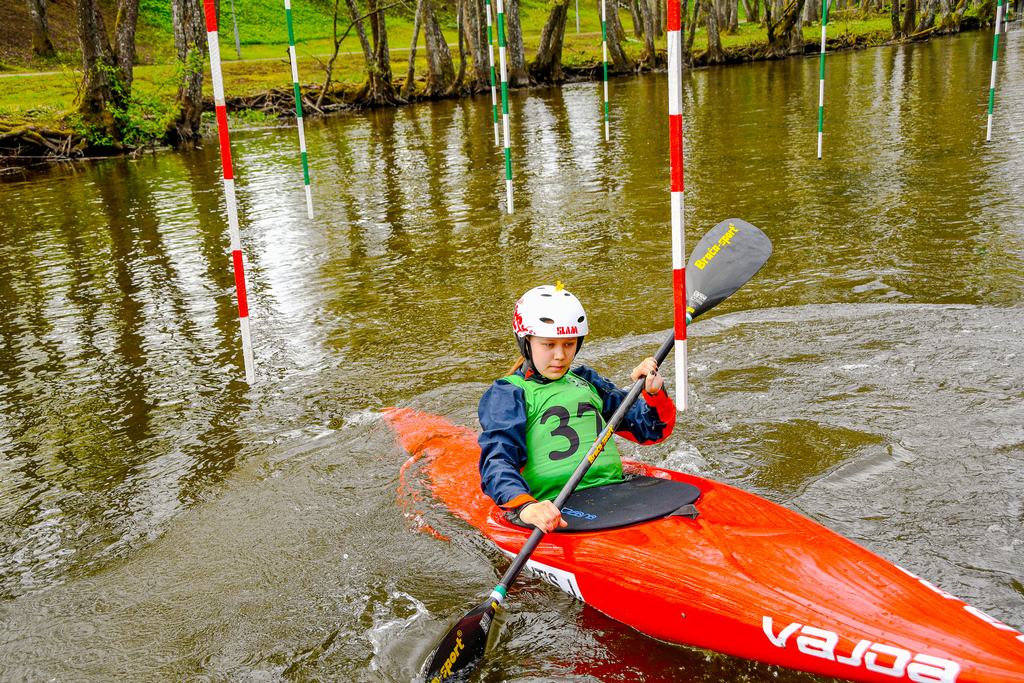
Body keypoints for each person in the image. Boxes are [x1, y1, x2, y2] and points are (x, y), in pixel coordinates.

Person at [478, 282, 676, 533]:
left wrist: (652, 392)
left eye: (569, 344)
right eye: (548, 345)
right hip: (553, 505)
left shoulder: (587, 381)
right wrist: (526, 507)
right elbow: (497, 460)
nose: (560, 355)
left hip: (615, 491)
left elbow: (651, 431)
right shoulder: (509, 394)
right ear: (525, 342)